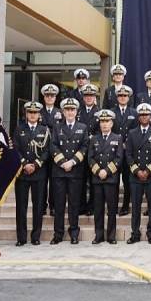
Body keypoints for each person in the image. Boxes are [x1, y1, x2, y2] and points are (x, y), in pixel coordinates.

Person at [49, 97, 88, 244]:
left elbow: (84, 147)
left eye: (72, 109)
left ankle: (74, 232)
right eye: (67, 110)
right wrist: (63, 162)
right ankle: (58, 234)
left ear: (76, 111)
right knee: (59, 204)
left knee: (74, 204)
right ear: (63, 112)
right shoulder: (57, 127)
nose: (70, 112)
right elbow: (53, 146)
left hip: (75, 171)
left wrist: (72, 162)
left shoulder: (83, 127)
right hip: (59, 171)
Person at [13, 100, 50, 246]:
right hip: (22, 173)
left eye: (35, 112)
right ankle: (21, 238)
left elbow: (47, 150)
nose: (33, 115)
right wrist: (24, 164)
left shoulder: (44, 130)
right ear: (26, 114)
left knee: (38, 205)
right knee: (21, 206)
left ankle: (35, 236)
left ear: (39, 114)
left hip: (39, 173)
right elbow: (15, 149)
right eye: (30, 112)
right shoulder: (19, 129)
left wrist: (35, 164)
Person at [125, 103, 151, 244]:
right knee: (135, 206)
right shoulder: (132, 133)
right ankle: (135, 233)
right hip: (135, 176)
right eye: (141, 115)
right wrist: (136, 170)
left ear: (150, 117)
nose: (144, 117)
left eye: (146, 114)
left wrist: (148, 171)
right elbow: (128, 154)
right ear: (138, 117)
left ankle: (150, 232)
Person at [88, 109, 124, 244]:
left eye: (107, 121)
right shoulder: (94, 139)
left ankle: (111, 235)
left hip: (111, 179)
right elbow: (90, 158)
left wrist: (107, 171)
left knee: (112, 209)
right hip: (97, 179)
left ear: (112, 123)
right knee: (98, 209)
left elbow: (119, 158)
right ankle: (98, 235)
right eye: (102, 121)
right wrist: (99, 171)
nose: (104, 124)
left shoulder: (117, 138)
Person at [112, 85, 137, 216]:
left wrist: (128, 144)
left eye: (125, 96)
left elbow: (136, 132)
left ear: (128, 97)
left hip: (128, 151)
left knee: (127, 180)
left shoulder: (134, 113)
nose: (122, 98)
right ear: (117, 98)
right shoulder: (111, 112)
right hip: (114, 151)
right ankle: (113, 205)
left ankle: (126, 205)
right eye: (120, 96)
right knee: (114, 180)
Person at [39, 83, 62, 217]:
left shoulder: (60, 113)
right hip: (41, 151)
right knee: (42, 181)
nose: (49, 98)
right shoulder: (38, 112)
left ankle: (53, 206)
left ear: (55, 97)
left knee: (54, 182)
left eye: (52, 96)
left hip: (55, 152)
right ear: (44, 97)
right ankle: (42, 206)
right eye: (47, 95)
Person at [77, 83, 100, 216]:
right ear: (83, 97)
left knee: (92, 181)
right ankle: (81, 206)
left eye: (91, 95)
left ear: (94, 96)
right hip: (79, 150)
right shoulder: (78, 111)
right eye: (86, 95)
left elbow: (101, 131)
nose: (89, 98)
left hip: (94, 151)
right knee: (80, 180)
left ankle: (91, 206)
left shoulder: (100, 112)